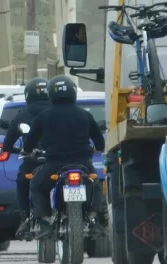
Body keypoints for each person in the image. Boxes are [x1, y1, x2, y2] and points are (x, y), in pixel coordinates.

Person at [24, 75, 106, 239]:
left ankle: (45, 222)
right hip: (83, 164)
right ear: (73, 92)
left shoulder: (44, 116)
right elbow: (100, 143)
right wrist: (95, 148)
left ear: (50, 94)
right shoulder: (85, 115)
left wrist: (28, 150)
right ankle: (95, 219)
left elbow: (29, 143)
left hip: (55, 165)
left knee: (36, 185)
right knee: (96, 183)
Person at [1, 77, 50, 238]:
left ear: (28, 95)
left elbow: (8, 142)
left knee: (22, 182)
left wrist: (11, 149)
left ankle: (25, 217)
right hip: (59, 160)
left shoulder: (23, 115)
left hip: (33, 162)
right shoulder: (58, 111)